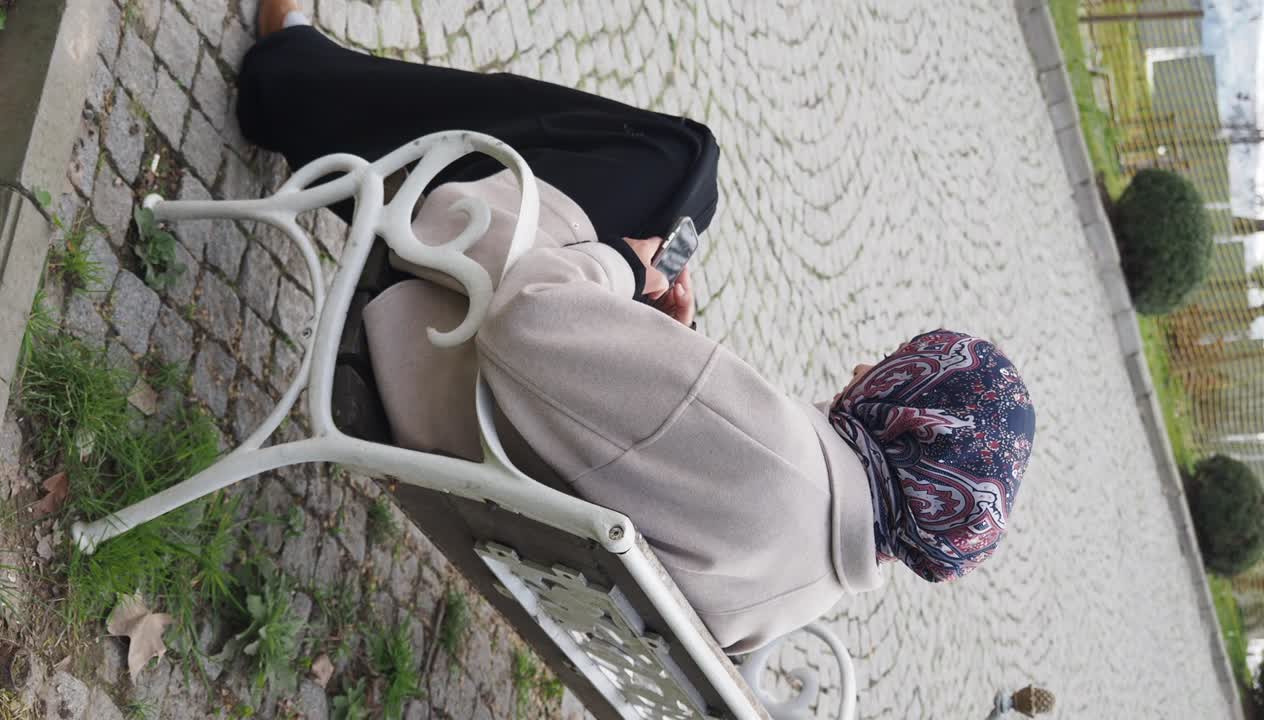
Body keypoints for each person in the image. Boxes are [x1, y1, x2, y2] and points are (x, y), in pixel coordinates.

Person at [241, 2, 1037, 654]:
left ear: (912, 417)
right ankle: (319, 87)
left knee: (683, 165)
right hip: (487, 477)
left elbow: (528, 319)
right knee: (675, 196)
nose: (865, 367)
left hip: (433, 362)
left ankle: (294, 84)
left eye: (896, 369)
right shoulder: (807, 593)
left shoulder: (778, 457)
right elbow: (651, 464)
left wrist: (624, 268)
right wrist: (659, 333)